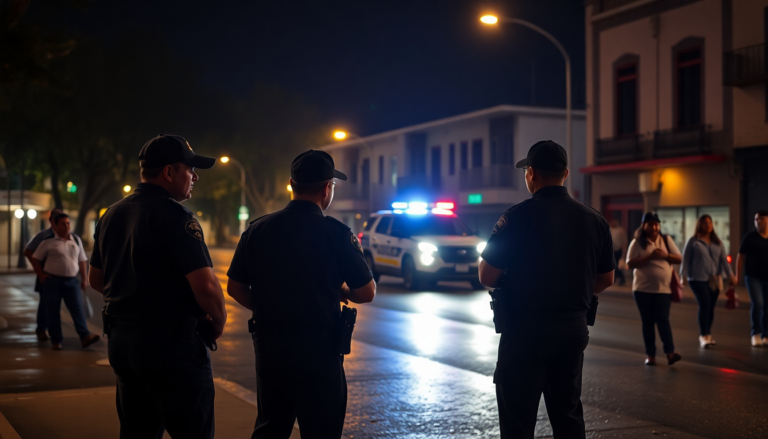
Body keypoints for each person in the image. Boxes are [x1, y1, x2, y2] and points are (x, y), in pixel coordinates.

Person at [226, 150, 375, 439]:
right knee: (321, 430)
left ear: (292, 184)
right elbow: (366, 292)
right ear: (326, 188)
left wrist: (268, 308)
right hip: (320, 349)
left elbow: (235, 287)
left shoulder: (257, 229)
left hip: (270, 346)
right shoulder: (337, 234)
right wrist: (340, 289)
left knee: (271, 427)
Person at [88, 134, 227, 439]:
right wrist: (217, 321)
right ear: (169, 172)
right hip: (171, 346)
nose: (195, 177)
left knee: (137, 432)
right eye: (189, 170)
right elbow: (205, 285)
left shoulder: (111, 215)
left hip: (122, 342)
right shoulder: (176, 217)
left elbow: (96, 280)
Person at [478, 140, 615, 439]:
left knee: (518, 418)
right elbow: (606, 279)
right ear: (565, 173)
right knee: (567, 414)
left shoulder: (516, 217)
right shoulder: (595, 220)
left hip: (526, 330)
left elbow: (487, 274)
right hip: (573, 329)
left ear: (532, 174)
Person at [31, 212, 99, 351]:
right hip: (53, 281)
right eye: (63, 223)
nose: (66, 226)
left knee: (77, 309)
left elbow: (82, 260)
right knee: (53, 311)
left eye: (68, 223)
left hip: (72, 281)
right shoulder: (48, 241)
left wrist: (84, 279)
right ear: (55, 226)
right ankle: (56, 340)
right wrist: (42, 275)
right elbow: (35, 258)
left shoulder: (76, 240)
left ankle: (85, 336)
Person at [626, 212, 683, 366]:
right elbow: (630, 263)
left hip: (664, 289)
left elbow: (679, 258)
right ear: (644, 226)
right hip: (642, 289)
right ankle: (650, 355)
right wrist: (650, 257)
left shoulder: (666, 239)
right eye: (650, 224)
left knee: (663, 319)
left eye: (656, 224)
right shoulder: (637, 242)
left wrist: (665, 255)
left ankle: (670, 353)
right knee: (648, 321)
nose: (654, 227)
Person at [680, 214, 736, 349]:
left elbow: (724, 260)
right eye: (705, 223)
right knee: (705, 304)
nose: (708, 225)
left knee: (710, 307)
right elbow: (686, 259)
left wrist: (730, 275)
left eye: (710, 223)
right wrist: (683, 276)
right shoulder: (693, 241)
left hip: (715, 279)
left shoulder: (718, 242)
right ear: (700, 225)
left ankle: (708, 333)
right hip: (697, 278)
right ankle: (703, 335)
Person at [24, 208, 63, 341]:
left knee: (56, 305)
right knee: (45, 304)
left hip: (61, 277)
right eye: (56, 218)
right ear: (51, 220)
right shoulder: (43, 235)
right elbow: (28, 251)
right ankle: (41, 329)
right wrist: (39, 270)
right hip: (46, 275)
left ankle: (54, 332)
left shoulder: (65, 234)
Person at [736, 210, 768, 347]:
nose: (757, 221)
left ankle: (765, 335)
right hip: (752, 276)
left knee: (767, 306)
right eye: (756, 219)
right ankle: (756, 333)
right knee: (758, 302)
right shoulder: (749, 237)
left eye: (761, 218)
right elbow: (740, 257)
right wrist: (738, 276)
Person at [610, 218, 628, 285]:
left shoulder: (621, 230)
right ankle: (615, 278)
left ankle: (622, 278)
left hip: (618, 250)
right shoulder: (610, 229)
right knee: (613, 265)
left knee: (616, 265)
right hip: (611, 250)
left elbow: (624, 242)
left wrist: (624, 252)